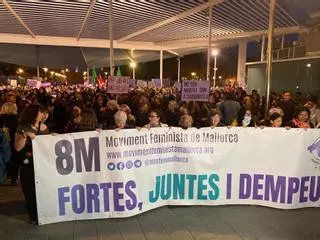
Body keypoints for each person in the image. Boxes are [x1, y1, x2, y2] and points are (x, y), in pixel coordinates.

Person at [14, 105, 49, 224]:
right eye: (40, 112)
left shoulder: (44, 127)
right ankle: (34, 216)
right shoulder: (22, 127)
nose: (42, 114)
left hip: (42, 165)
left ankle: (44, 214)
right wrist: (25, 135)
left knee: (43, 190)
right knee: (29, 191)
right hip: (28, 165)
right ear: (34, 114)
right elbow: (18, 148)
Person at [0, 102, 19, 184]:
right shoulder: (16, 119)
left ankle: (3, 176)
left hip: (2, 142)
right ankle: (13, 177)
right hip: (13, 141)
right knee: (13, 159)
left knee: (2, 159)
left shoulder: (1, 118)